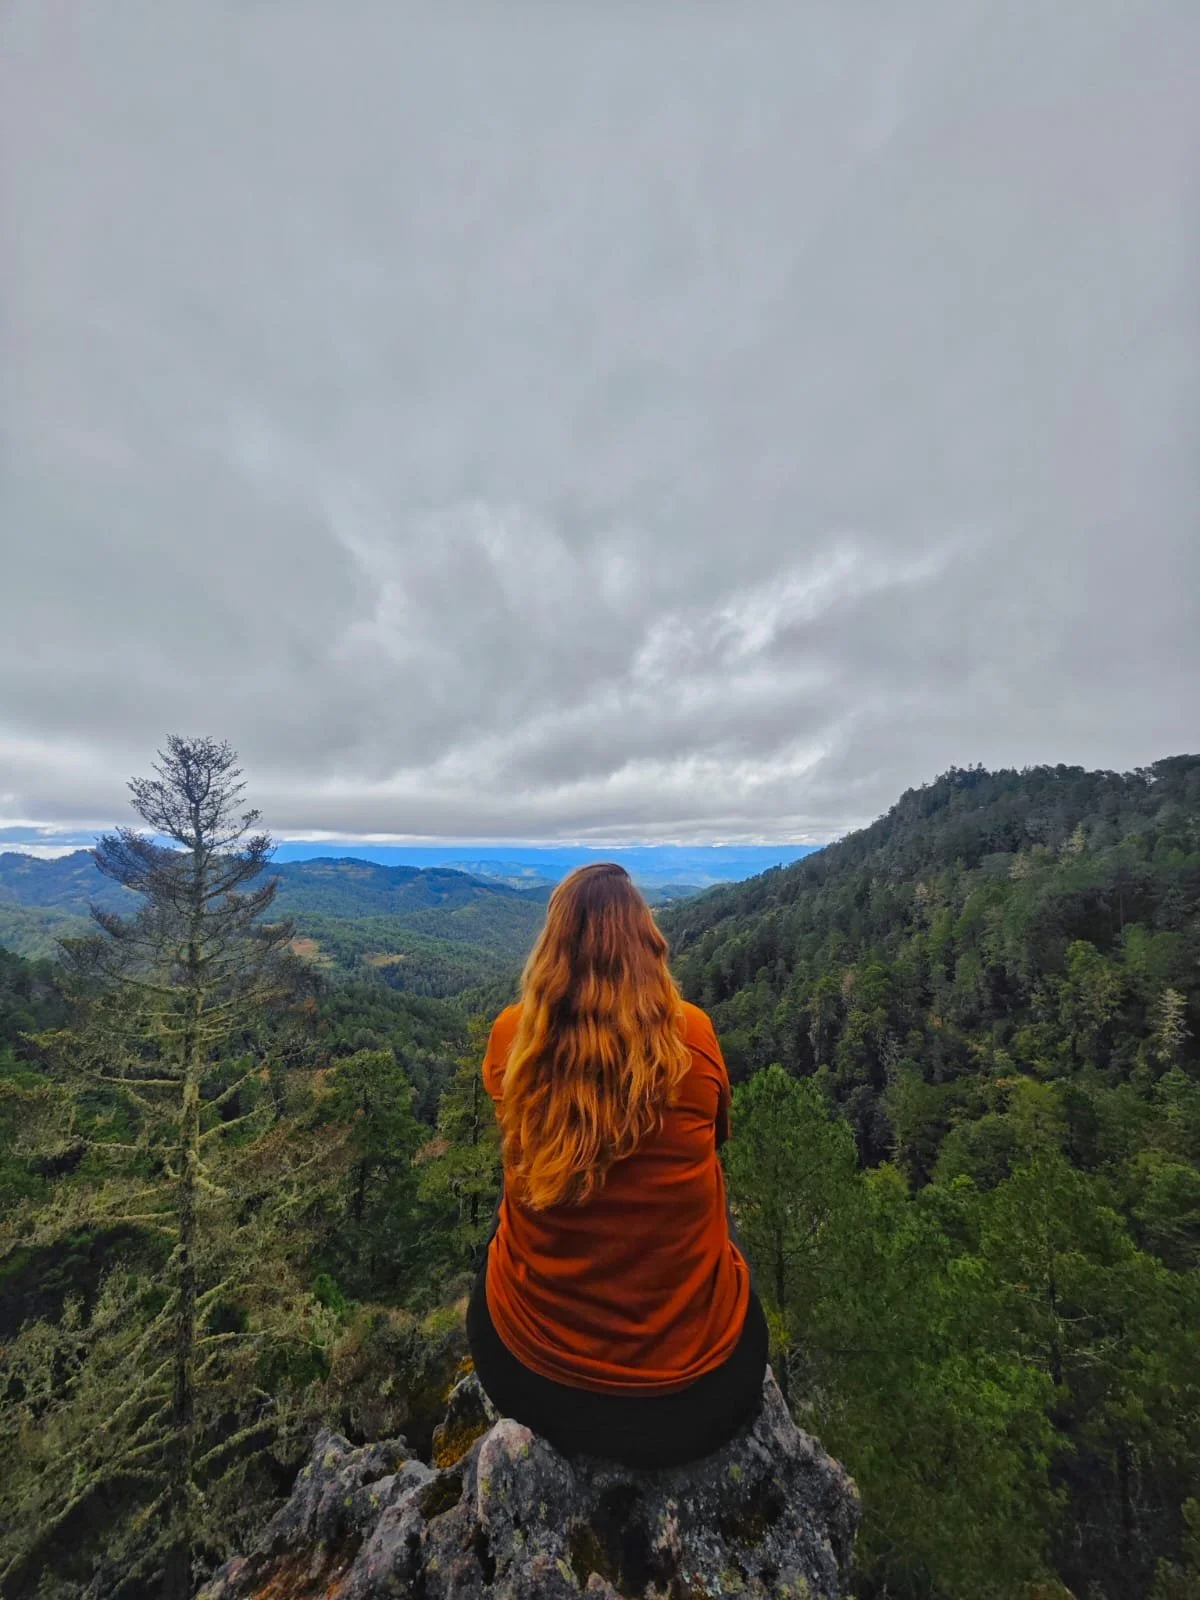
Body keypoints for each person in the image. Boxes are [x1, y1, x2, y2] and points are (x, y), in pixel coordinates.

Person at [466, 861, 768, 1468]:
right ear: (648, 945)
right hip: (695, 1401)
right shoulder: (695, 1038)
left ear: (552, 948)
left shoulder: (512, 1041)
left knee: (497, 1247)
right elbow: (715, 1142)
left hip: (534, 1378)